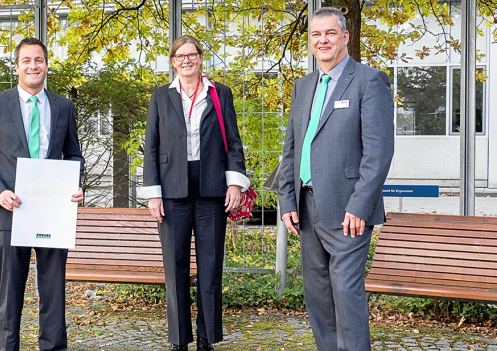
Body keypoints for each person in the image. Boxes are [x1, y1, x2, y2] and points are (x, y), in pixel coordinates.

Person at [278, 7, 394, 351]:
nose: (322, 40)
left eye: (330, 33)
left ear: (345, 36)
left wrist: (360, 205)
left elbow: (378, 153)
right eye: (316, 34)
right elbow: (291, 151)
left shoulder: (369, 80)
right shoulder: (303, 86)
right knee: (318, 296)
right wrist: (287, 200)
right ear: (310, 42)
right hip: (306, 208)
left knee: (346, 293)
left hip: (348, 212)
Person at [0, 37, 85, 351]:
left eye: (39, 60)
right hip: (12, 213)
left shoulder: (63, 106)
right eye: (27, 61)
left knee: (53, 292)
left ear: (46, 64)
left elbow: (74, 155)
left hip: (53, 214)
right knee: (10, 295)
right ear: (17, 66)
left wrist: (75, 183)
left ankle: (53, 347)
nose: (33, 66)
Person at [140, 35, 250, 351]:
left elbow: (234, 141)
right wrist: (154, 193)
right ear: (173, 61)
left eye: (193, 55)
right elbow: (151, 148)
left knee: (211, 266)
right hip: (172, 189)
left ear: (201, 58)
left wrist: (235, 183)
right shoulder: (161, 97)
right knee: (175, 268)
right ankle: (178, 339)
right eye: (180, 56)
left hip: (211, 186)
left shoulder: (220, 94)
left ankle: (206, 337)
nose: (187, 60)